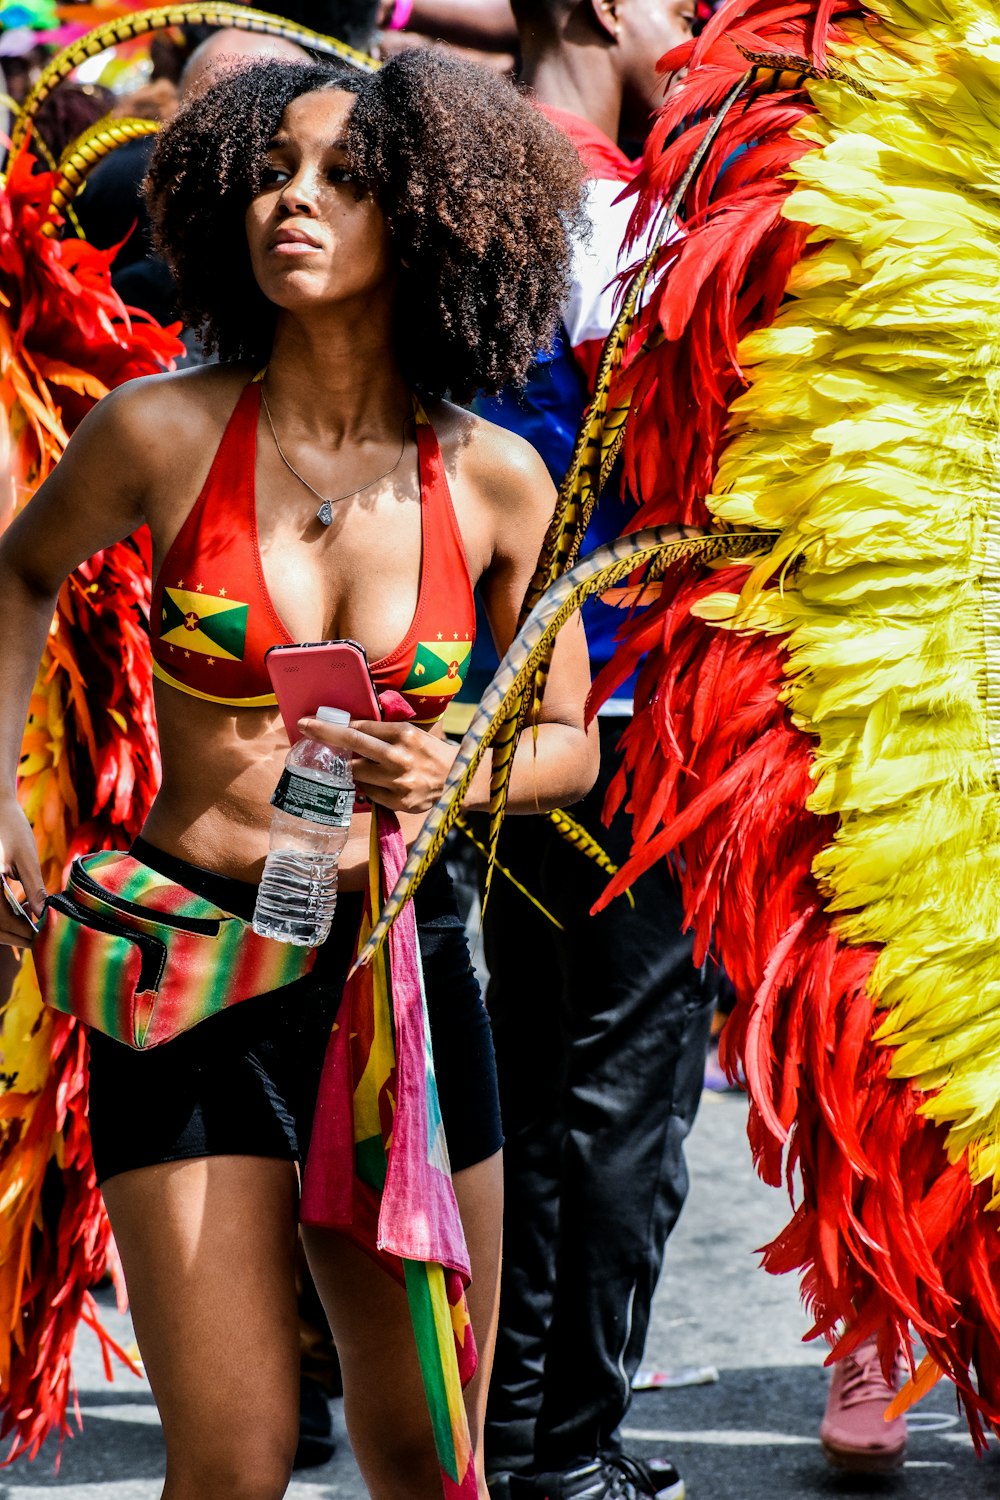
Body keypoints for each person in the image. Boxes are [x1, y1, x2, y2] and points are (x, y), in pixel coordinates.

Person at [0, 49, 598, 1500]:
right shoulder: (160, 431)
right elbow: (18, 574)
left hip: (399, 983)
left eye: (344, 178)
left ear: (437, 220)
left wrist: (448, 767)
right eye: (272, 175)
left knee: (424, 1454)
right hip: (193, 979)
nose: (297, 204)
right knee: (234, 1462)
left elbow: (570, 745)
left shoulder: (498, 480)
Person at [474, 5, 717, 1500]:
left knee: (524, 1071)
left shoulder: (451, 184)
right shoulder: (622, 218)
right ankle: (563, 1453)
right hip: (618, 721)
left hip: (484, 719)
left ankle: (511, 1439)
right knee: (621, 1092)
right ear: (595, 13)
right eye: (672, 4)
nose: (688, 29)